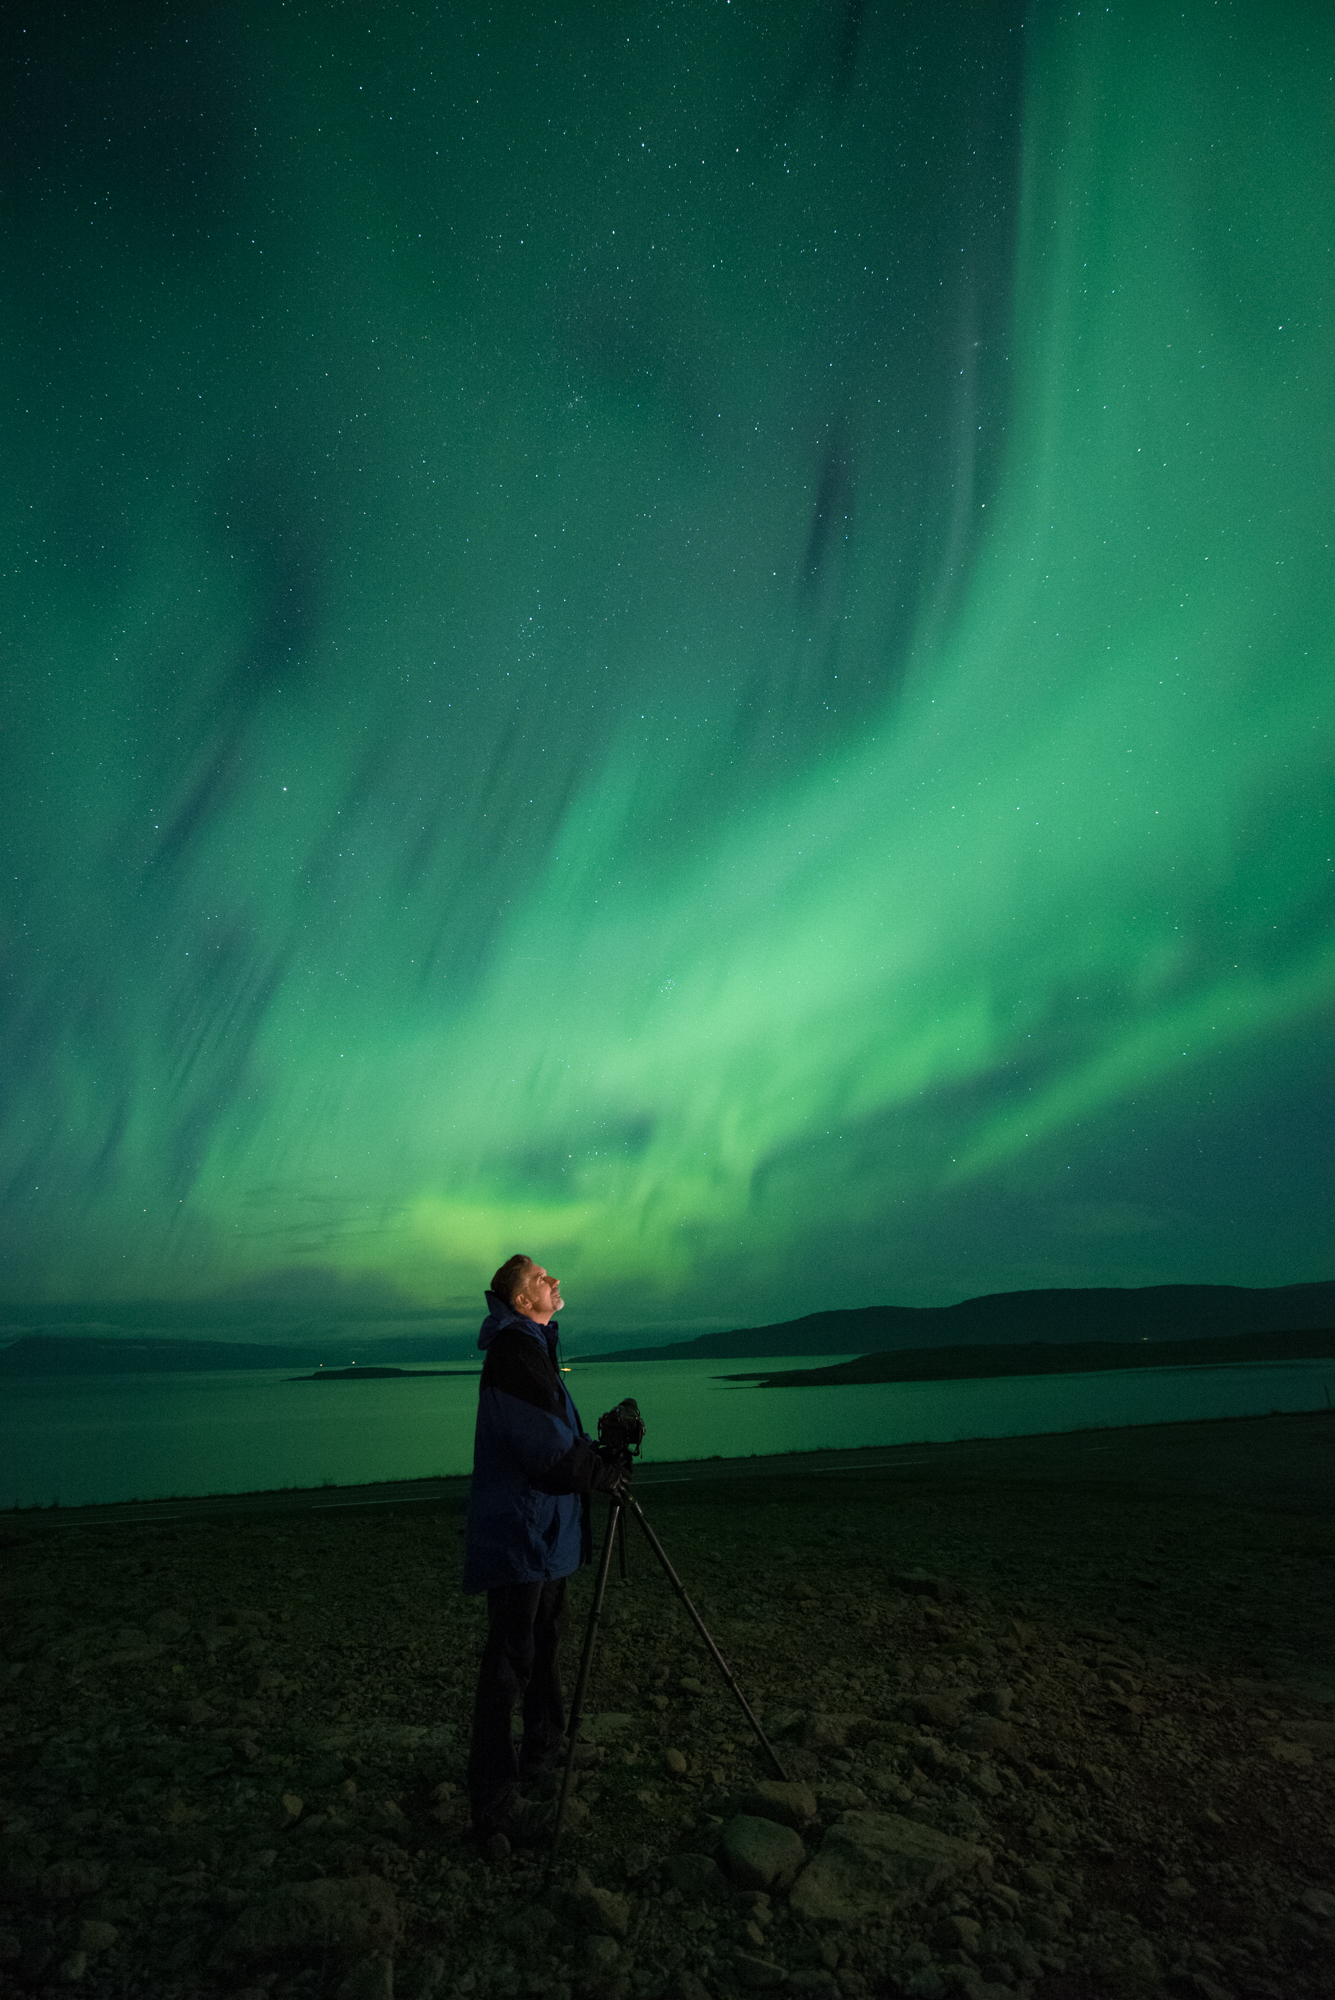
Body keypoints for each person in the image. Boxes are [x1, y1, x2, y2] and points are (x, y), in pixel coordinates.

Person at [462, 1253, 628, 1852]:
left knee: (545, 1642)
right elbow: (548, 1452)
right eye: (539, 1279)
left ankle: (544, 1749)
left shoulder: (533, 1349)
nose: (553, 1281)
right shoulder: (515, 1355)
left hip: (543, 1532)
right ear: (519, 1301)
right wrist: (601, 1472)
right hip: (521, 1532)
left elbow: (558, 1439)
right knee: (510, 1659)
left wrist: (594, 1461)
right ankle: (495, 1803)